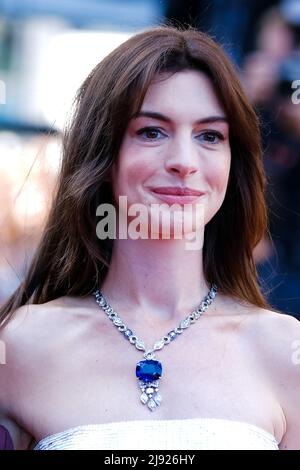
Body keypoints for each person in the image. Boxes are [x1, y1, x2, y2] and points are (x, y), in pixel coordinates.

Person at [0, 24, 299, 451]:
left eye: (209, 136)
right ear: (102, 154)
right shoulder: (22, 344)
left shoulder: (284, 349)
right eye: (151, 132)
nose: (183, 161)